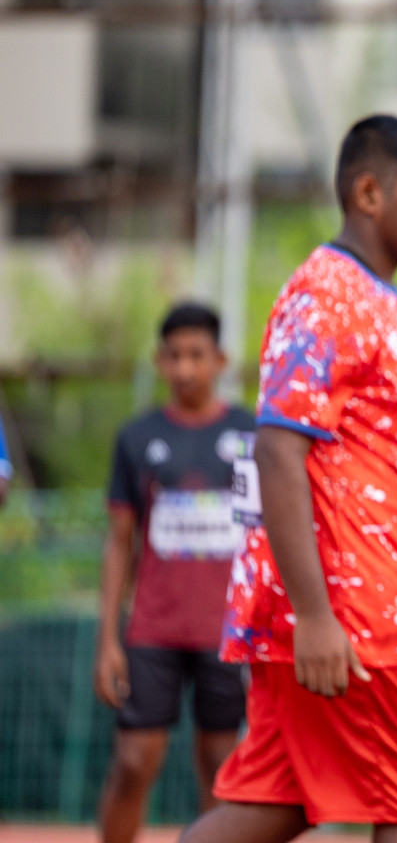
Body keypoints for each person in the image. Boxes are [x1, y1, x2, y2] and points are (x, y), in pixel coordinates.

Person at [179, 114, 397, 843]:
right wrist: (315, 615)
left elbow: (360, 463)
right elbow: (277, 450)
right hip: (353, 619)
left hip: (361, 599)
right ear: (369, 193)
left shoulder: (377, 297)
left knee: (269, 810)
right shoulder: (328, 295)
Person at [94, 303, 254, 843]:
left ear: (221, 360)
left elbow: (268, 536)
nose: (185, 368)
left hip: (226, 633)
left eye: (197, 355)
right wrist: (107, 641)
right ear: (159, 361)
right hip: (152, 632)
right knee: (134, 762)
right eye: (175, 356)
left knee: (220, 766)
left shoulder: (250, 432)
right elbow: (119, 541)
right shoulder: (136, 437)